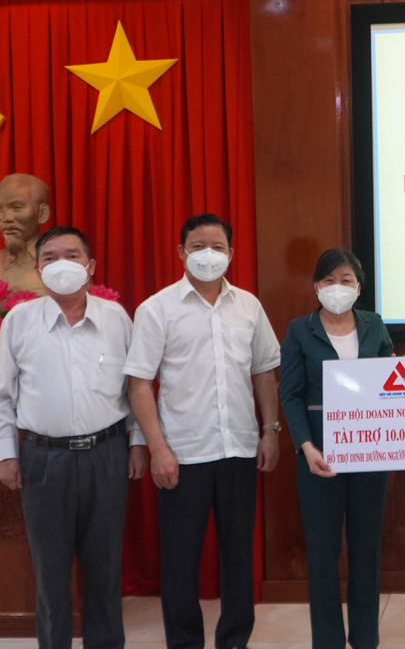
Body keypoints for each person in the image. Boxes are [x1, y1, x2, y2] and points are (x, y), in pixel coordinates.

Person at [123, 213, 281, 649]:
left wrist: (270, 430)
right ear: (181, 253)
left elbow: (265, 370)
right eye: (197, 246)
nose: (207, 255)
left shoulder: (248, 305)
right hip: (182, 454)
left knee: (238, 559)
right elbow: (139, 383)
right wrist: (157, 449)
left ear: (231, 253)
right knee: (180, 562)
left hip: (239, 451)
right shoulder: (157, 308)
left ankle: (234, 640)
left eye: (216, 247)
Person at [0, 226, 148, 649]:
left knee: (104, 569)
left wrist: (137, 443)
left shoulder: (116, 318)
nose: (62, 265)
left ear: (90, 267)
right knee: (51, 573)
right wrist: (7, 455)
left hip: (107, 455)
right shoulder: (19, 321)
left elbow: (134, 387)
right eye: (50, 257)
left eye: (72, 256)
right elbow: (2, 395)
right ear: (38, 270)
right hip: (44, 460)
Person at [279, 248, 394, 649]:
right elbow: (290, 395)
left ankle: (365, 639)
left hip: (371, 454)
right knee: (323, 553)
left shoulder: (374, 324)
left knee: (366, 550)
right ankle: (327, 641)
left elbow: (390, 380)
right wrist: (305, 447)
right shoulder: (299, 329)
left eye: (346, 280)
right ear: (316, 286)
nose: (337, 288)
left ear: (358, 288)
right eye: (329, 280)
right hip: (318, 457)